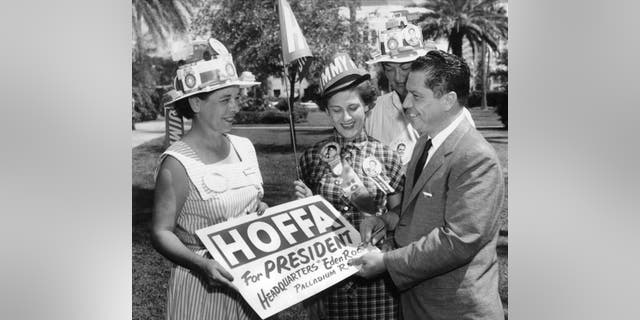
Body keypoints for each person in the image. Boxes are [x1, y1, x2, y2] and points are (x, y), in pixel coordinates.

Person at [352, 50, 505, 320]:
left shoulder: (475, 157)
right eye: (408, 94)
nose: (407, 103)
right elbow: (416, 212)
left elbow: (458, 240)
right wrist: (388, 222)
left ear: (448, 100)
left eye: (417, 96)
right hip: (419, 305)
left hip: (455, 309)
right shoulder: (426, 141)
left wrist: (387, 262)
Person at [151, 38, 266, 320]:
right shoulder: (178, 163)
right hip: (202, 288)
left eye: (237, 98)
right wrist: (201, 264)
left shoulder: (245, 148)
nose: (235, 107)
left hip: (253, 285)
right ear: (195, 103)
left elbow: (253, 203)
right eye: (225, 100)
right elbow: (161, 232)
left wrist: (261, 211)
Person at [293, 53, 405, 320]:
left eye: (353, 107)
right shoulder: (312, 157)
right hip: (329, 284)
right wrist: (307, 205)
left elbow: (402, 216)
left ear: (367, 105)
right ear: (326, 110)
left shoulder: (387, 156)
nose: (346, 117)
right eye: (336, 110)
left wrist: (383, 220)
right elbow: (303, 230)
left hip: (377, 284)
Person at [365, 22, 475, 167]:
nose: (398, 77)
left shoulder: (455, 115)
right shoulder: (373, 111)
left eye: (405, 68)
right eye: (390, 69)